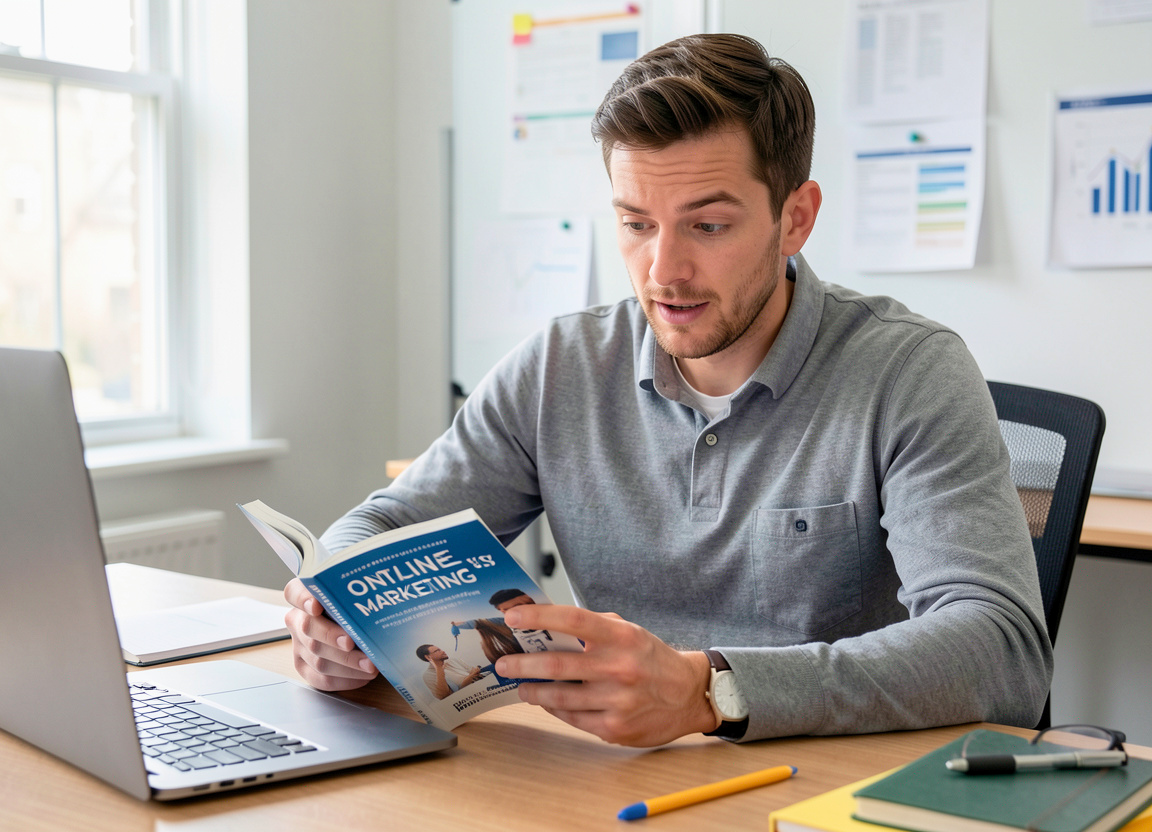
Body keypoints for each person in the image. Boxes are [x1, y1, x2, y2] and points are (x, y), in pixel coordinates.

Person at [284, 33, 1051, 747]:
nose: (663, 271)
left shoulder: (910, 372)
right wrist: (337, 619)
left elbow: (1003, 652)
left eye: (707, 227)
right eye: (636, 224)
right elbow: (382, 525)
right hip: (613, 783)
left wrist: (710, 690)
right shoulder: (560, 367)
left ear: (795, 219)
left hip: (819, 786)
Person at [452, 589, 557, 662]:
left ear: (529, 599)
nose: (514, 612)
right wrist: (456, 625)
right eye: (505, 610)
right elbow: (478, 623)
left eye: (518, 606)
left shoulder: (553, 616)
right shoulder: (505, 623)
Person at [417, 644, 485, 700]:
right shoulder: (428, 675)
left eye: (440, 649)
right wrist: (439, 669)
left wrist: (474, 673)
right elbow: (444, 696)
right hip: (468, 696)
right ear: (428, 657)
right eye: (437, 651)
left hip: (480, 683)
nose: (443, 651)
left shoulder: (453, 660)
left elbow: (473, 671)